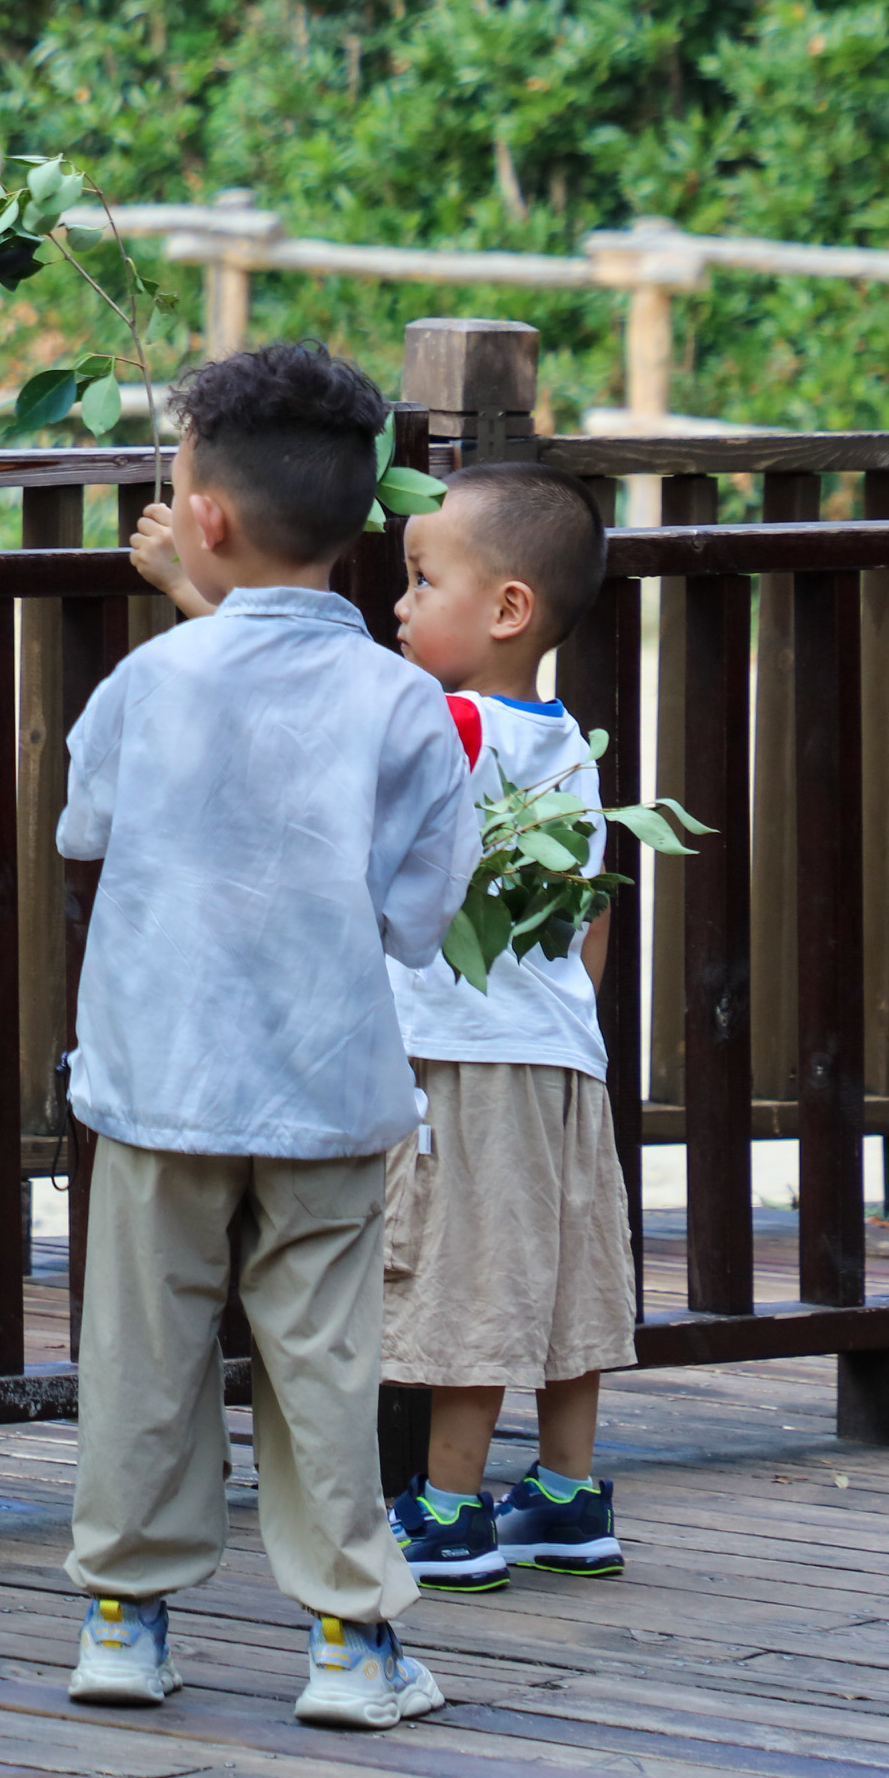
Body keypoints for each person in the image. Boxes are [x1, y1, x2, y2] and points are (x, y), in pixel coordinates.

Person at [66, 341, 479, 1732]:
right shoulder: (401, 698)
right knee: (323, 1359)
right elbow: (421, 916)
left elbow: (86, 827)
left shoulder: (152, 683)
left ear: (207, 519)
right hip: (323, 1084)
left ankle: (125, 1615)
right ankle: (352, 1640)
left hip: (156, 1079)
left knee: (142, 1350)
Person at [374, 466, 631, 1587]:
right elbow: (592, 924)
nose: (398, 605)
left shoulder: (450, 722)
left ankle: (444, 1511)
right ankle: (569, 1495)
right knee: (561, 1271)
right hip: (562, 1059)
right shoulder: (568, 745)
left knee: (468, 1278)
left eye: (421, 580)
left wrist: (201, 599)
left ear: (506, 610)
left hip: (463, 1060)